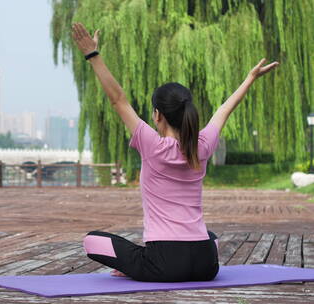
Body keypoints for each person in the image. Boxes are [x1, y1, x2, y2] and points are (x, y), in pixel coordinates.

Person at [71, 22, 279, 282]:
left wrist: (93, 55)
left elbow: (118, 99)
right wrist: (250, 78)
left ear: (157, 115)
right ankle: (154, 260)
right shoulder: (202, 145)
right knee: (209, 236)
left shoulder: (153, 145)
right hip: (206, 263)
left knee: (91, 240)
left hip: (165, 264)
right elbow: (225, 110)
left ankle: (133, 265)